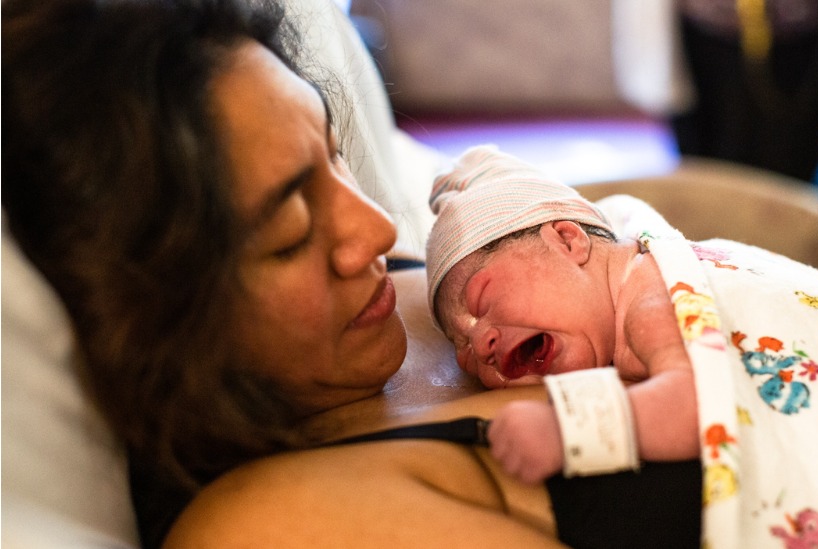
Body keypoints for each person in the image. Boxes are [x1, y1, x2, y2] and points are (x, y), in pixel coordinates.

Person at [2, 0, 702, 548]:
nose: (380, 228)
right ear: (168, 321)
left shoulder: (416, 285)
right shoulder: (265, 525)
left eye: (334, 157)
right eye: (291, 234)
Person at [426, 145, 818, 548]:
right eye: (463, 345)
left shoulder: (648, 290)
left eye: (482, 296)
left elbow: (697, 405)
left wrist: (565, 432)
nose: (482, 339)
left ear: (568, 241)